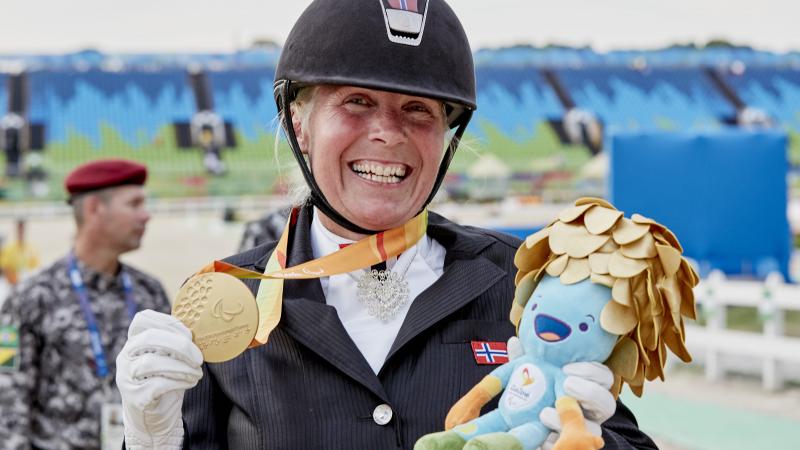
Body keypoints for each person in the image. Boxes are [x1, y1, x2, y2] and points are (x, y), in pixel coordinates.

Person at [116, 1, 657, 449]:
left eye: (418, 109)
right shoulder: (224, 300)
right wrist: (149, 440)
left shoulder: (520, 282)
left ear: (447, 135)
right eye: (356, 102)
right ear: (299, 126)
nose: (387, 133)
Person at [0, 159, 171, 450]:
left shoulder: (150, 294)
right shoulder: (31, 297)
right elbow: (7, 402)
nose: (146, 215)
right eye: (134, 204)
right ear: (94, 208)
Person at [0, 218, 41, 286]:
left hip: (27, 283)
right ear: (16, 230)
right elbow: (4, 268)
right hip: (12, 283)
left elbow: (36, 269)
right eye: (19, 229)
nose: (21, 231)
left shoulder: (32, 249)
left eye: (22, 229)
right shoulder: (9, 250)